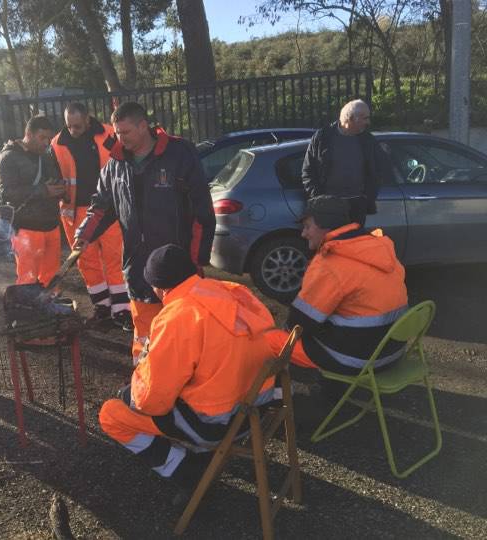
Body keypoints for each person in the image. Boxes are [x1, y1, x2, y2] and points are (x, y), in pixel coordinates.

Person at [99, 244, 280, 488]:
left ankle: (183, 469)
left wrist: (131, 393)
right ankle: (189, 454)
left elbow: (152, 401)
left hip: (217, 426)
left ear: (158, 288)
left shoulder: (177, 316)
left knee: (111, 414)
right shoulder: (231, 291)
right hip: (260, 407)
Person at [74, 102, 215, 364]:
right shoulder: (115, 164)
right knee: (145, 341)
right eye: (116, 133)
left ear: (143, 126)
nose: (119, 138)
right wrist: (84, 234)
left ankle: (186, 391)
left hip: (177, 271)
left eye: (125, 132)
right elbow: (101, 208)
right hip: (138, 270)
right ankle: (145, 387)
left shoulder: (179, 155)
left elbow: (201, 214)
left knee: (184, 338)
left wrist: (196, 261)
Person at [284, 196, 409, 375]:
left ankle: (283, 396)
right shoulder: (377, 246)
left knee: (274, 341)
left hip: (356, 361)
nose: (303, 234)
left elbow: (300, 324)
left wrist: (285, 331)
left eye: (307, 226)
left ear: (324, 225)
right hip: (392, 353)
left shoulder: (330, 263)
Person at [51, 103, 132, 331]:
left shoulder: (108, 134)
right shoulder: (58, 143)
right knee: (87, 263)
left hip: (109, 209)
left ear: (88, 120)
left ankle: (122, 311)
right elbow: (54, 173)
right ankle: (103, 309)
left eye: (77, 126)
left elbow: (125, 162)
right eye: (68, 125)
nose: (73, 130)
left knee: (115, 259)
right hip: (75, 211)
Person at [0, 116, 65, 286]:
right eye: (42, 138)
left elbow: (52, 180)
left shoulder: (45, 155)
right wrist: (44, 190)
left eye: (49, 138)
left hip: (51, 225)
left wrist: (59, 189)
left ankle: (49, 303)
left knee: (51, 276)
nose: (47, 143)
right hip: (26, 229)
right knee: (28, 278)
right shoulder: (8, 157)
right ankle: (28, 309)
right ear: (28, 134)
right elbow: (7, 193)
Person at [302, 99, 390, 225]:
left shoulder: (368, 140)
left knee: (354, 243)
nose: (368, 122)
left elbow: (378, 170)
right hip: (328, 207)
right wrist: (318, 198)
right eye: (365, 118)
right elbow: (308, 171)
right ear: (350, 118)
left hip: (357, 206)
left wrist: (367, 197)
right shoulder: (323, 137)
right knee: (331, 244)